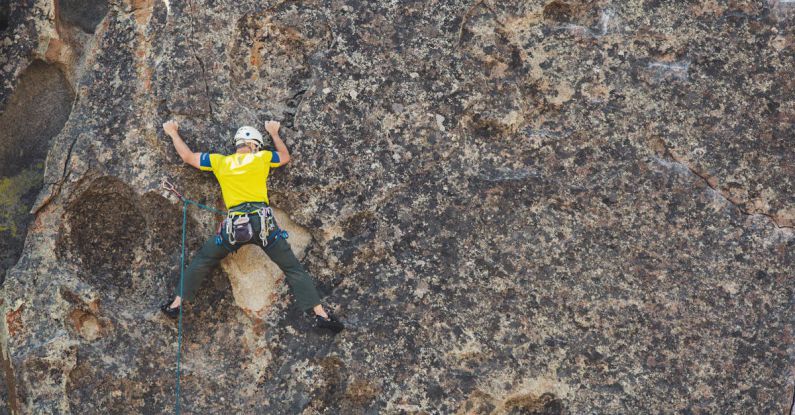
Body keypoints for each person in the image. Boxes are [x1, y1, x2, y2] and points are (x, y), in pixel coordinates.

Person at [159, 119, 343, 333]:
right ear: (255, 145)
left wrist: (172, 133)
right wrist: (274, 133)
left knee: (203, 259)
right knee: (292, 268)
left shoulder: (220, 162)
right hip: (263, 224)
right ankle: (321, 314)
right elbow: (284, 157)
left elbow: (188, 157)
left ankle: (176, 305)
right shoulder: (262, 158)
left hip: (235, 226)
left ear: (237, 144)